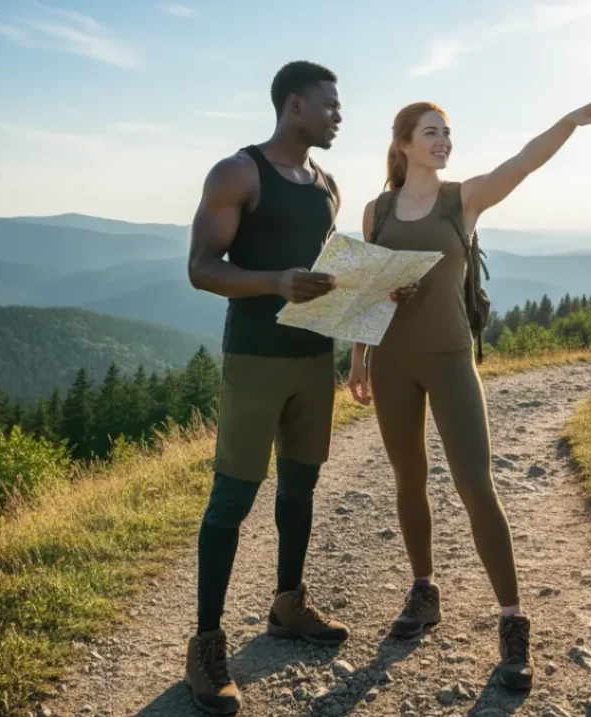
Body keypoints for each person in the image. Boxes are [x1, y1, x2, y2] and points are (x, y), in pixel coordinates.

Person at [347, 91, 591, 692]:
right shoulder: (377, 212)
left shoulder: (460, 199)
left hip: (449, 361)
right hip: (391, 363)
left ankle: (513, 618)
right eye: (431, 133)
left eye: (447, 133)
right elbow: (366, 290)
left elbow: (522, 162)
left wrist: (568, 120)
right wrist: (359, 358)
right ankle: (423, 592)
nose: (443, 141)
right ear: (404, 144)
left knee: (474, 482)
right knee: (407, 478)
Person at [184, 60, 350, 715]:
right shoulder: (237, 172)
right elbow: (201, 268)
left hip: (317, 358)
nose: (339, 115)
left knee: (301, 484)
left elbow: (324, 274)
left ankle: (288, 604)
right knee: (231, 497)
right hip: (254, 356)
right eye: (330, 105)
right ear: (294, 105)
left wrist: (368, 291)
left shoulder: (328, 184)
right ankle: (204, 645)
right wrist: (274, 281)